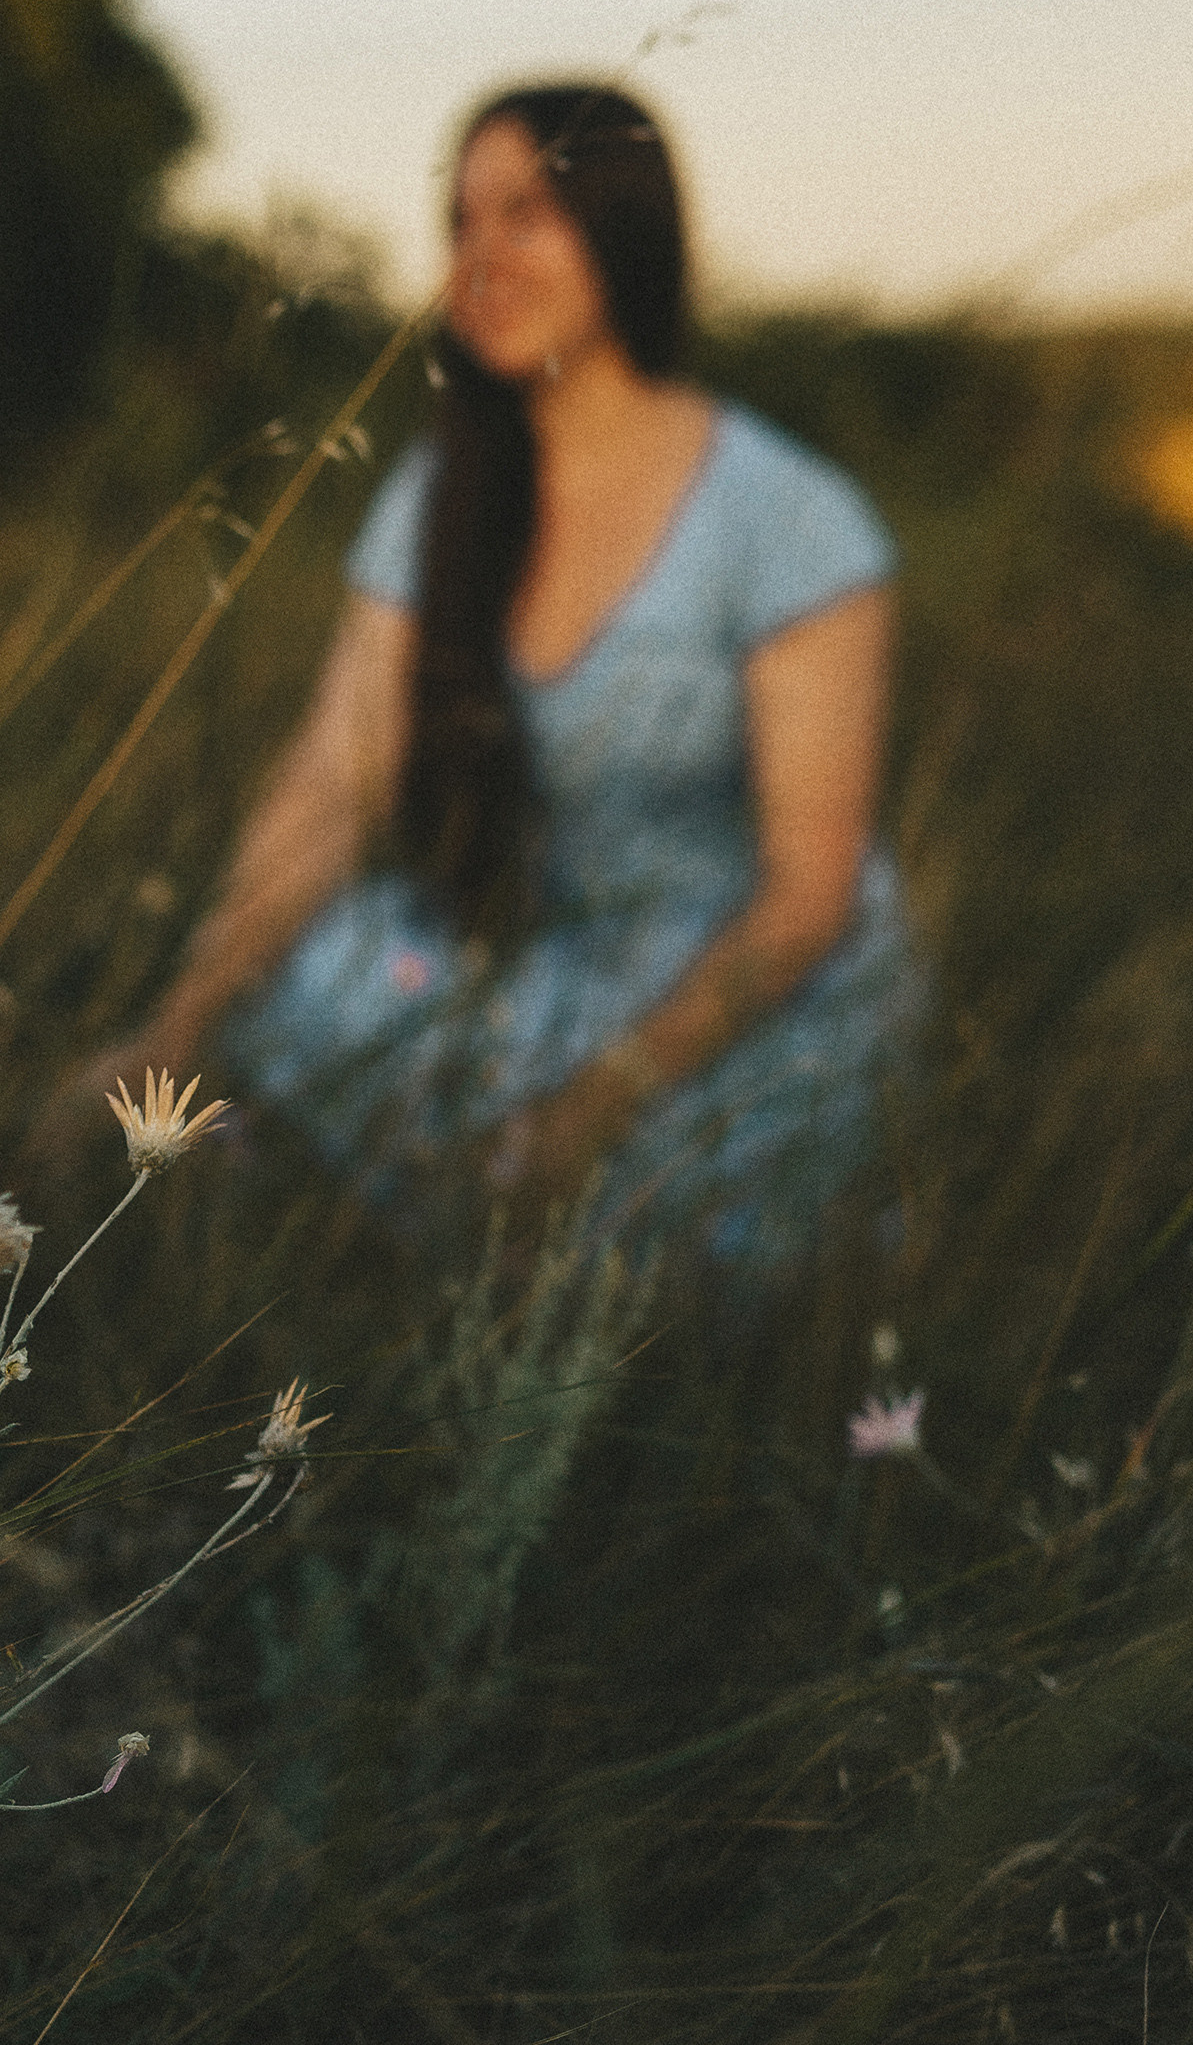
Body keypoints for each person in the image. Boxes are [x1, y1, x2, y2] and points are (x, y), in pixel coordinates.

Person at [76, 83, 922, 1284]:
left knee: (608, 1250)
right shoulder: (441, 492)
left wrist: (578, 1121)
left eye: (528, 215)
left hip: (739, 991)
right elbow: (332, 781)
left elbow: (807, 900)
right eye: (463, 221)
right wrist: (171, 1036)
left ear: (627, 235)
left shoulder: (787, 517)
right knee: (314, 979)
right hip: (544, 960)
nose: (485, 257)